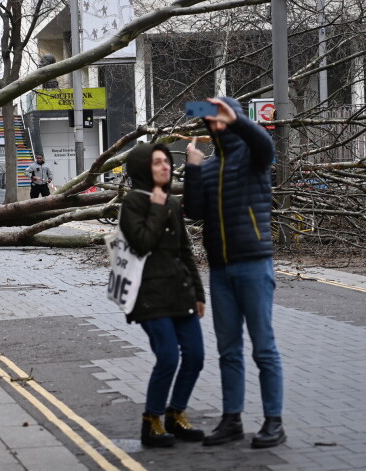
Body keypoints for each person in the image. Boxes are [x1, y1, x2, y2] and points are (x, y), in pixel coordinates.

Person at [184, 97, 285, 449]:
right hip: (221, 270)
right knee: (228, 350)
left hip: (254, 264)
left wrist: (237, 119)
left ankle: (274, 421)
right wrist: (193, 168)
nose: (215, 123)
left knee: (264, 348)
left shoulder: (253, 155)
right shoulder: (209, 166)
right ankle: (231, 420)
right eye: (211, 119)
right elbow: (194, 210)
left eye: (220, 117)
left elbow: (266, 144)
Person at [120, 143, 206, 448]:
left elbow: (184, 250)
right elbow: (142, 242)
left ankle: (175, 414)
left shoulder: (170, 201)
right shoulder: (132, 202)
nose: (165, 167)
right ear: (144, 168)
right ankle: (152, 421)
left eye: (167, 162)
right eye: (157, 163)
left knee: (195, 356)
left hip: (180, 293)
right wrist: (156, 207)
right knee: (168, 357)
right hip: (149, 297)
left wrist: (198, 292)